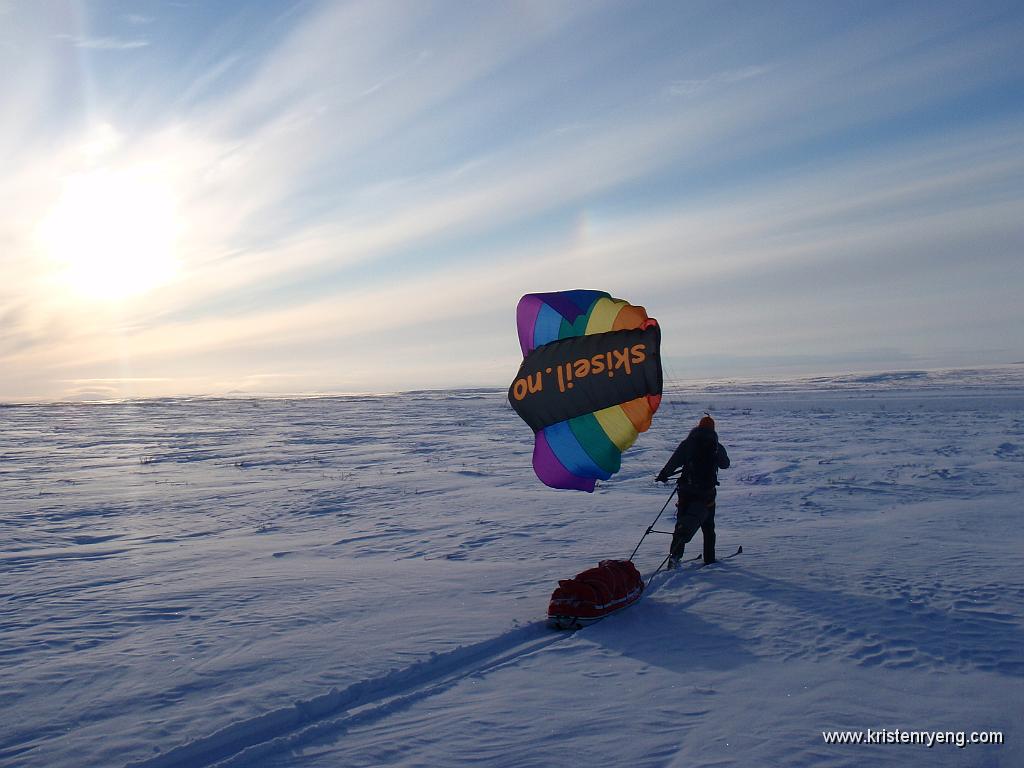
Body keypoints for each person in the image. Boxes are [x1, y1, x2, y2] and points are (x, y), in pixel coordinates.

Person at [656, 413, 730, 567]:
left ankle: (675, 557)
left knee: (682, 524)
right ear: (713, 428)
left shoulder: (688, 443)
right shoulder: (717, 445)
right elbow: (725, 464)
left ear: (698, 426)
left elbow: (674, 461)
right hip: (707, 494)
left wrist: (664, 474)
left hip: (686, 492)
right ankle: (709, 559)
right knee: (708, 527)